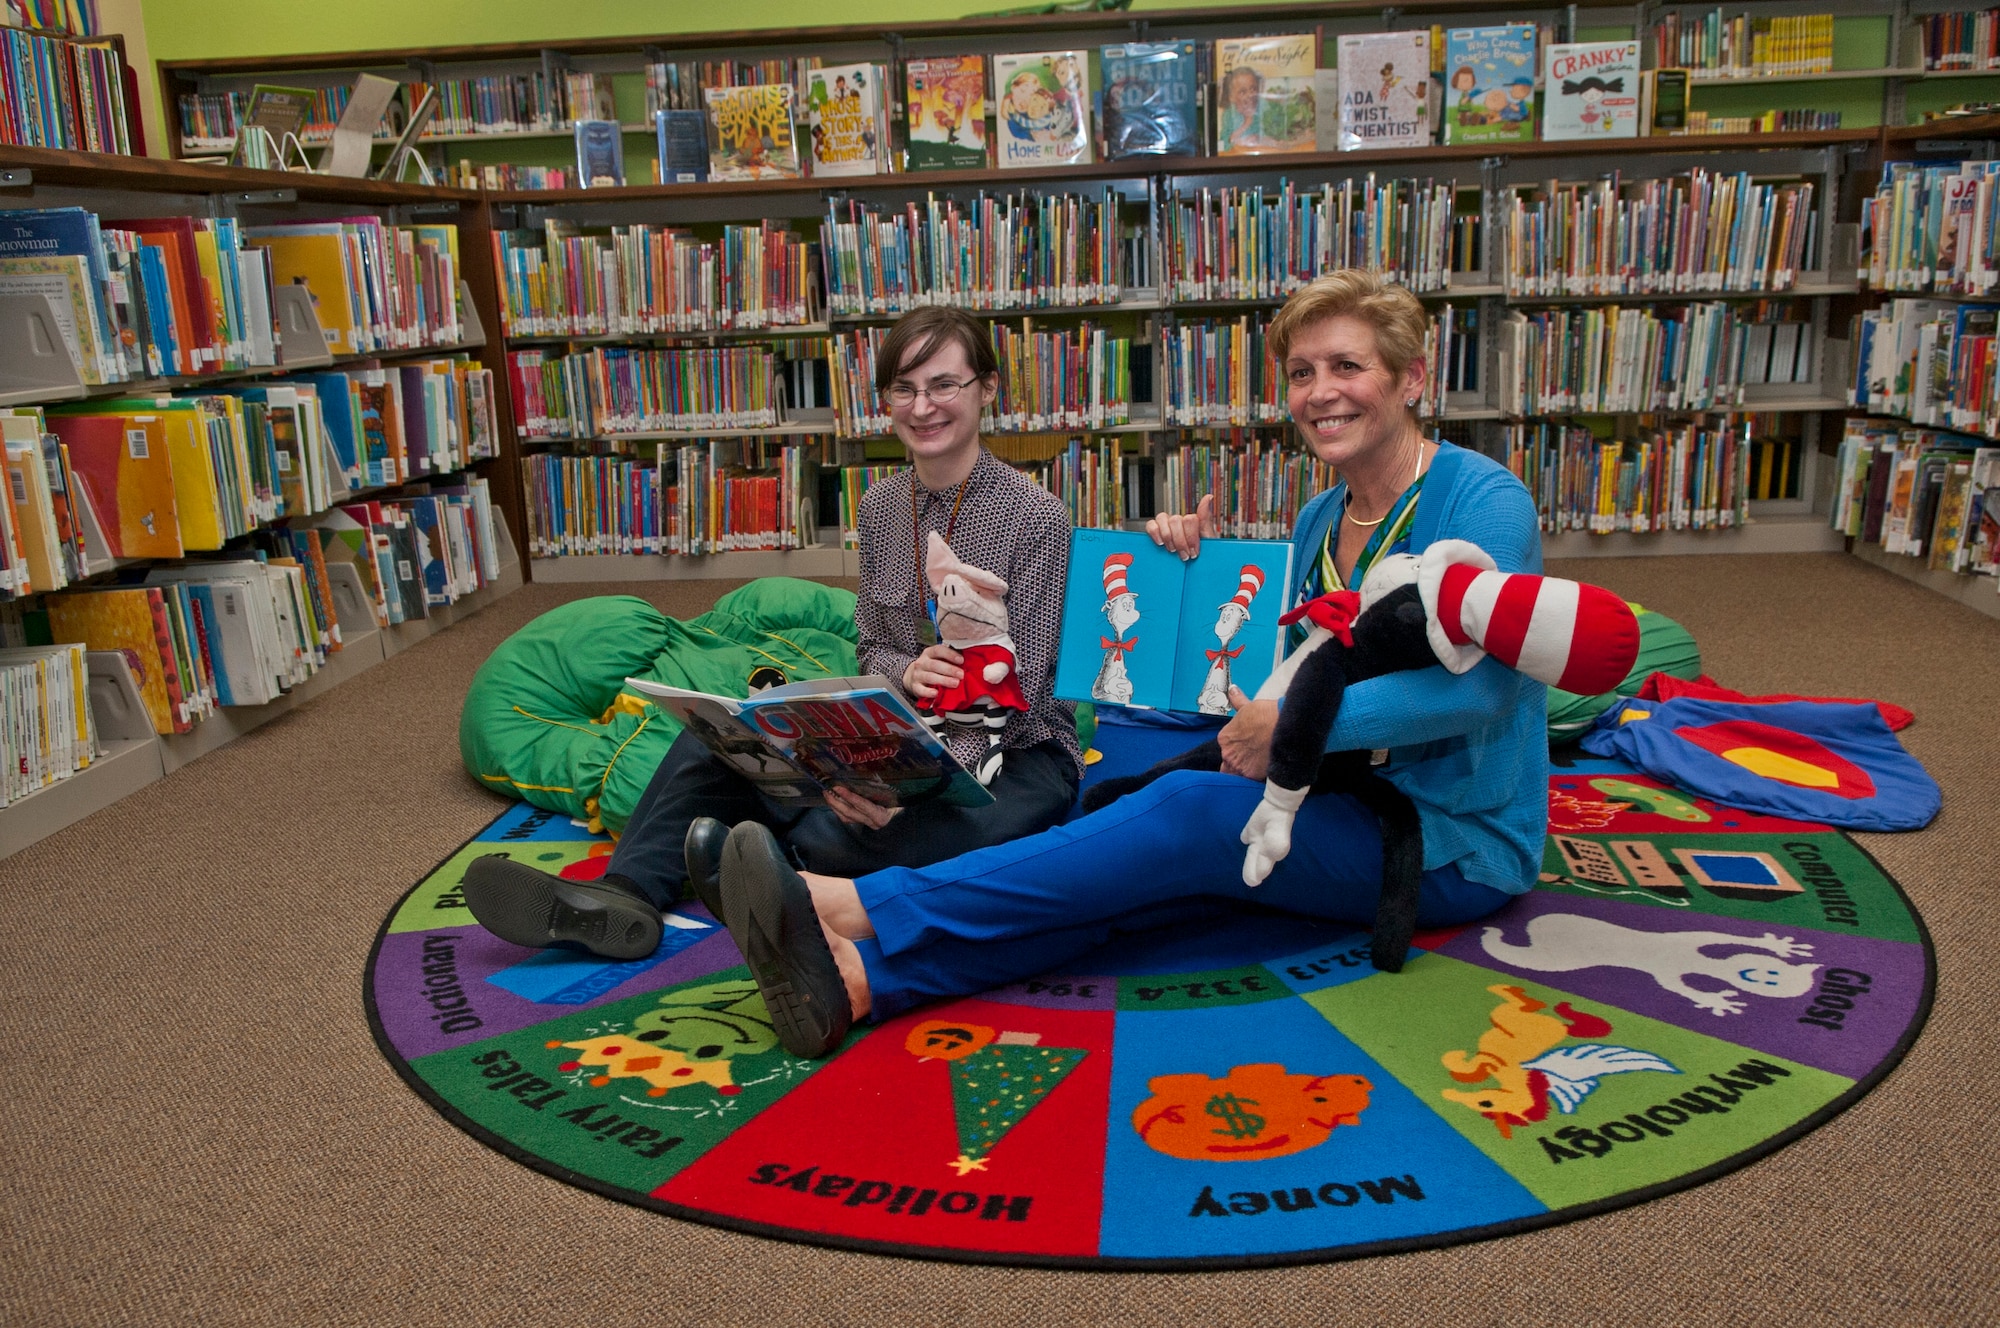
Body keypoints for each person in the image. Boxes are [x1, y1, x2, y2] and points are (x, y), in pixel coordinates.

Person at [712, 269, 1551, 1057]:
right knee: (1130, 869)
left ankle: (858, 908)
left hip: (1451, 839)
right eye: (1301, 372)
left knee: (1183, 815)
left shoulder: (1481, 500)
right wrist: (1185, 575)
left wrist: (1294, 724)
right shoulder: (1320, 518)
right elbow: (1288, 670)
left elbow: (1480, 693)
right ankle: (869, 982)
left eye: (1346, 365)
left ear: (1410, 377)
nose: (1320, 391)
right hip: (1320, 793)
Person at [461, 306, 1082, 961]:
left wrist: (900, 787)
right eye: (904, 388)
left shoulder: (1037, 518)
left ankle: (778, 847)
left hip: (1013, 756)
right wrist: (900, 682)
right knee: (724, 733)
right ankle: (627, 895)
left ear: (986, 389)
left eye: (943, 385)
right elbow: (871, 644)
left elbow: (1030, 682)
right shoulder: (878, 509)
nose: (922, 406)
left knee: (885, 837)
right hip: (901, 740)